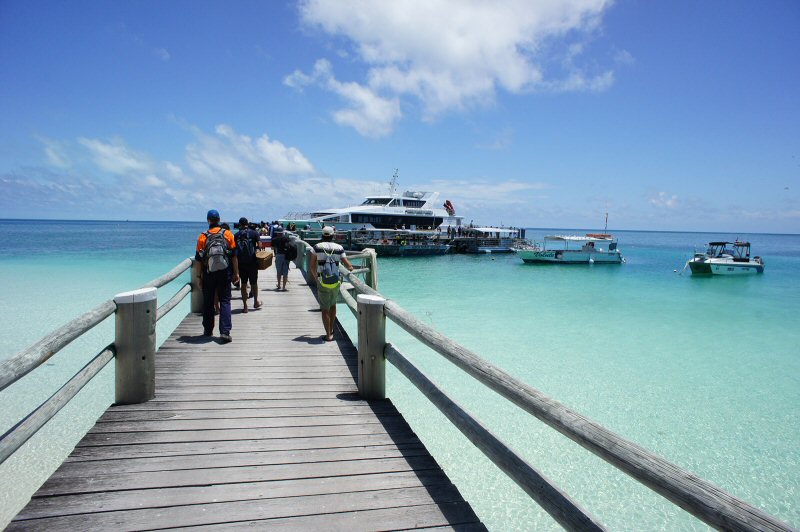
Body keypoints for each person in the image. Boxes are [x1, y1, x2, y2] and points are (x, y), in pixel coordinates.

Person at [195, 210, 239, 343]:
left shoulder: (203, 236)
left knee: (208, 301)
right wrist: (236, 273)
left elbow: (198, 259)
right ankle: (225, 332)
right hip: (225, 272)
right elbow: (234, 256)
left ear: (208, 220)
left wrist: (199, 277)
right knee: (225, 300)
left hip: (209, 273)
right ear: (219, 219)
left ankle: (208, 330)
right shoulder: (228, 234)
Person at [309, 226, 353, 342]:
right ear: (333, 236)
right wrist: (351, 268)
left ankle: (328, 335)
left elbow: (312, 266)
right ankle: (332, 329)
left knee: (325, 309)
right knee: (333, 305)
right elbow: (347, 264)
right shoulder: (339, 248)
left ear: (322, 235)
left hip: (322, 281)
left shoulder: (317, 247)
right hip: (335, 281)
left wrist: (316, 278)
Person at [235, 217, 261, 313]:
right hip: (252, 262)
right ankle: (255, 302)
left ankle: (245, 306)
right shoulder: (254, 233)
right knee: (254, 283)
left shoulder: (236, 235)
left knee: (244, 284)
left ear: (240, 224)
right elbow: (260, 245)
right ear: (247, 223)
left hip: (241, 263)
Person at [271, 226, 291, 291]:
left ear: (277, 233)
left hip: (279, 255)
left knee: (278, 271)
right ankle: (284, 287)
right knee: (285, 271)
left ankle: (279, 285)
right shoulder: (286, 238)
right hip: (286, 256)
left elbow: (272, 248)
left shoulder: (274, 239)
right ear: (282, 232)